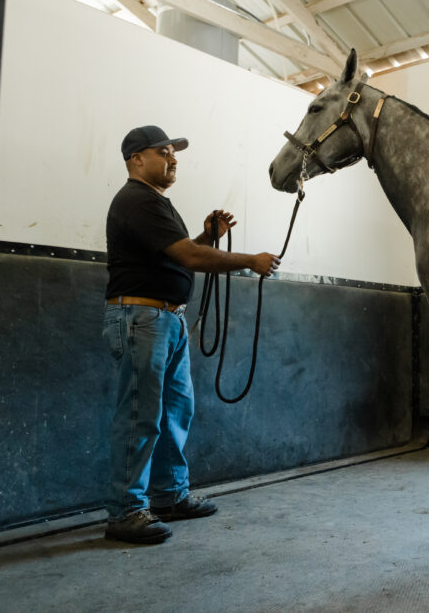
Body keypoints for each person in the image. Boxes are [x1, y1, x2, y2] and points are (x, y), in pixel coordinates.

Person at [102, 125, 281, 544]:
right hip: (142, 319)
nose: (173, 158)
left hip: (165, 320)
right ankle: (125, 511)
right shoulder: (137, 200)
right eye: (163, 151)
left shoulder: (155, 204)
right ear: (137, 159)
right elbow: (187, 256)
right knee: (139, 415)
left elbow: (179, 253)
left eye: (173, 151)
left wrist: (207, 238)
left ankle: (167, 496)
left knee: (173, 411)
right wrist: (249, 260)